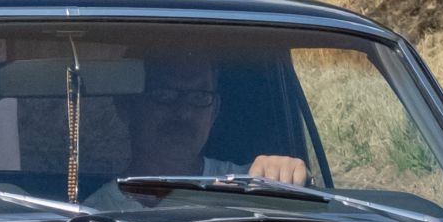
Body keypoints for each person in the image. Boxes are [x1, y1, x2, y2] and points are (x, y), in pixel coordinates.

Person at [124, 54, 308, 184]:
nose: (183, 112)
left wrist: (290, 175)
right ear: (128, 106)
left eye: (199, 97)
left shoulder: (253, 185)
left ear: (215, 110)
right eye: (165, 94)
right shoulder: (98, 212)